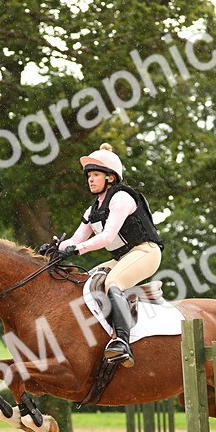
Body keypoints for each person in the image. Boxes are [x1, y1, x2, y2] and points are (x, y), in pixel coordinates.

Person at [39, 143, 163, 367]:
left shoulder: (122, 198)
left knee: (113, 281)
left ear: (111, 178)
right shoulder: (92, 210)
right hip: (122, 258)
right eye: (89, 176)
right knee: (87, 282)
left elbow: (106, 237)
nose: (91, 180)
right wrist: (53, 248)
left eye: (96, 175)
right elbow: (76, 238)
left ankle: (123, 343)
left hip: (145, 252)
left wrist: (77, 250)